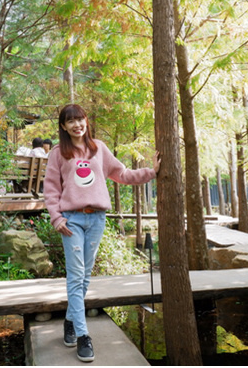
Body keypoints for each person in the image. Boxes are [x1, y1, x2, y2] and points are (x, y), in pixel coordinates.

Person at [43, 104, 160, 363]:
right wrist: (56, 218)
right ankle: (83, 336)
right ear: (63, 126)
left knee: (84, 277)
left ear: (86, 120)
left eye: (80, 119)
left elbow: (123, 174)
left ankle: (70, 322)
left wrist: (151, 172)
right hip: (71, 220)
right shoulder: (58, 153)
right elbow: (50, 188)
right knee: (75, 277)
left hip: (96, 219)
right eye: (70, 121)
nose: (76, 124)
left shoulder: (99, 149)